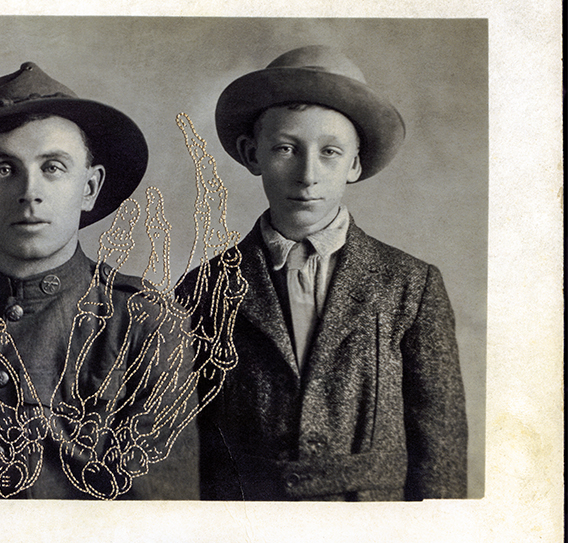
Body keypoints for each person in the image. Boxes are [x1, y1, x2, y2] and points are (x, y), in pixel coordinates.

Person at [178, 46, 468, 501]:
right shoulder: (204, 288)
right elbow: (190, 446)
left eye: (330, 152)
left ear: (355, 163)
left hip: (372, 527)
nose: (307, 174)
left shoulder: (410, 286)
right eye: (285, 148)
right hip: (251, 526)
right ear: (252, 154)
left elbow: (440, 451)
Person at [0, 62, 199, 499]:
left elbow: (159, 512)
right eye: (4, 169)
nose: (30, 191)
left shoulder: (145, 322)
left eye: (53, 167)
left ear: (89, 187)